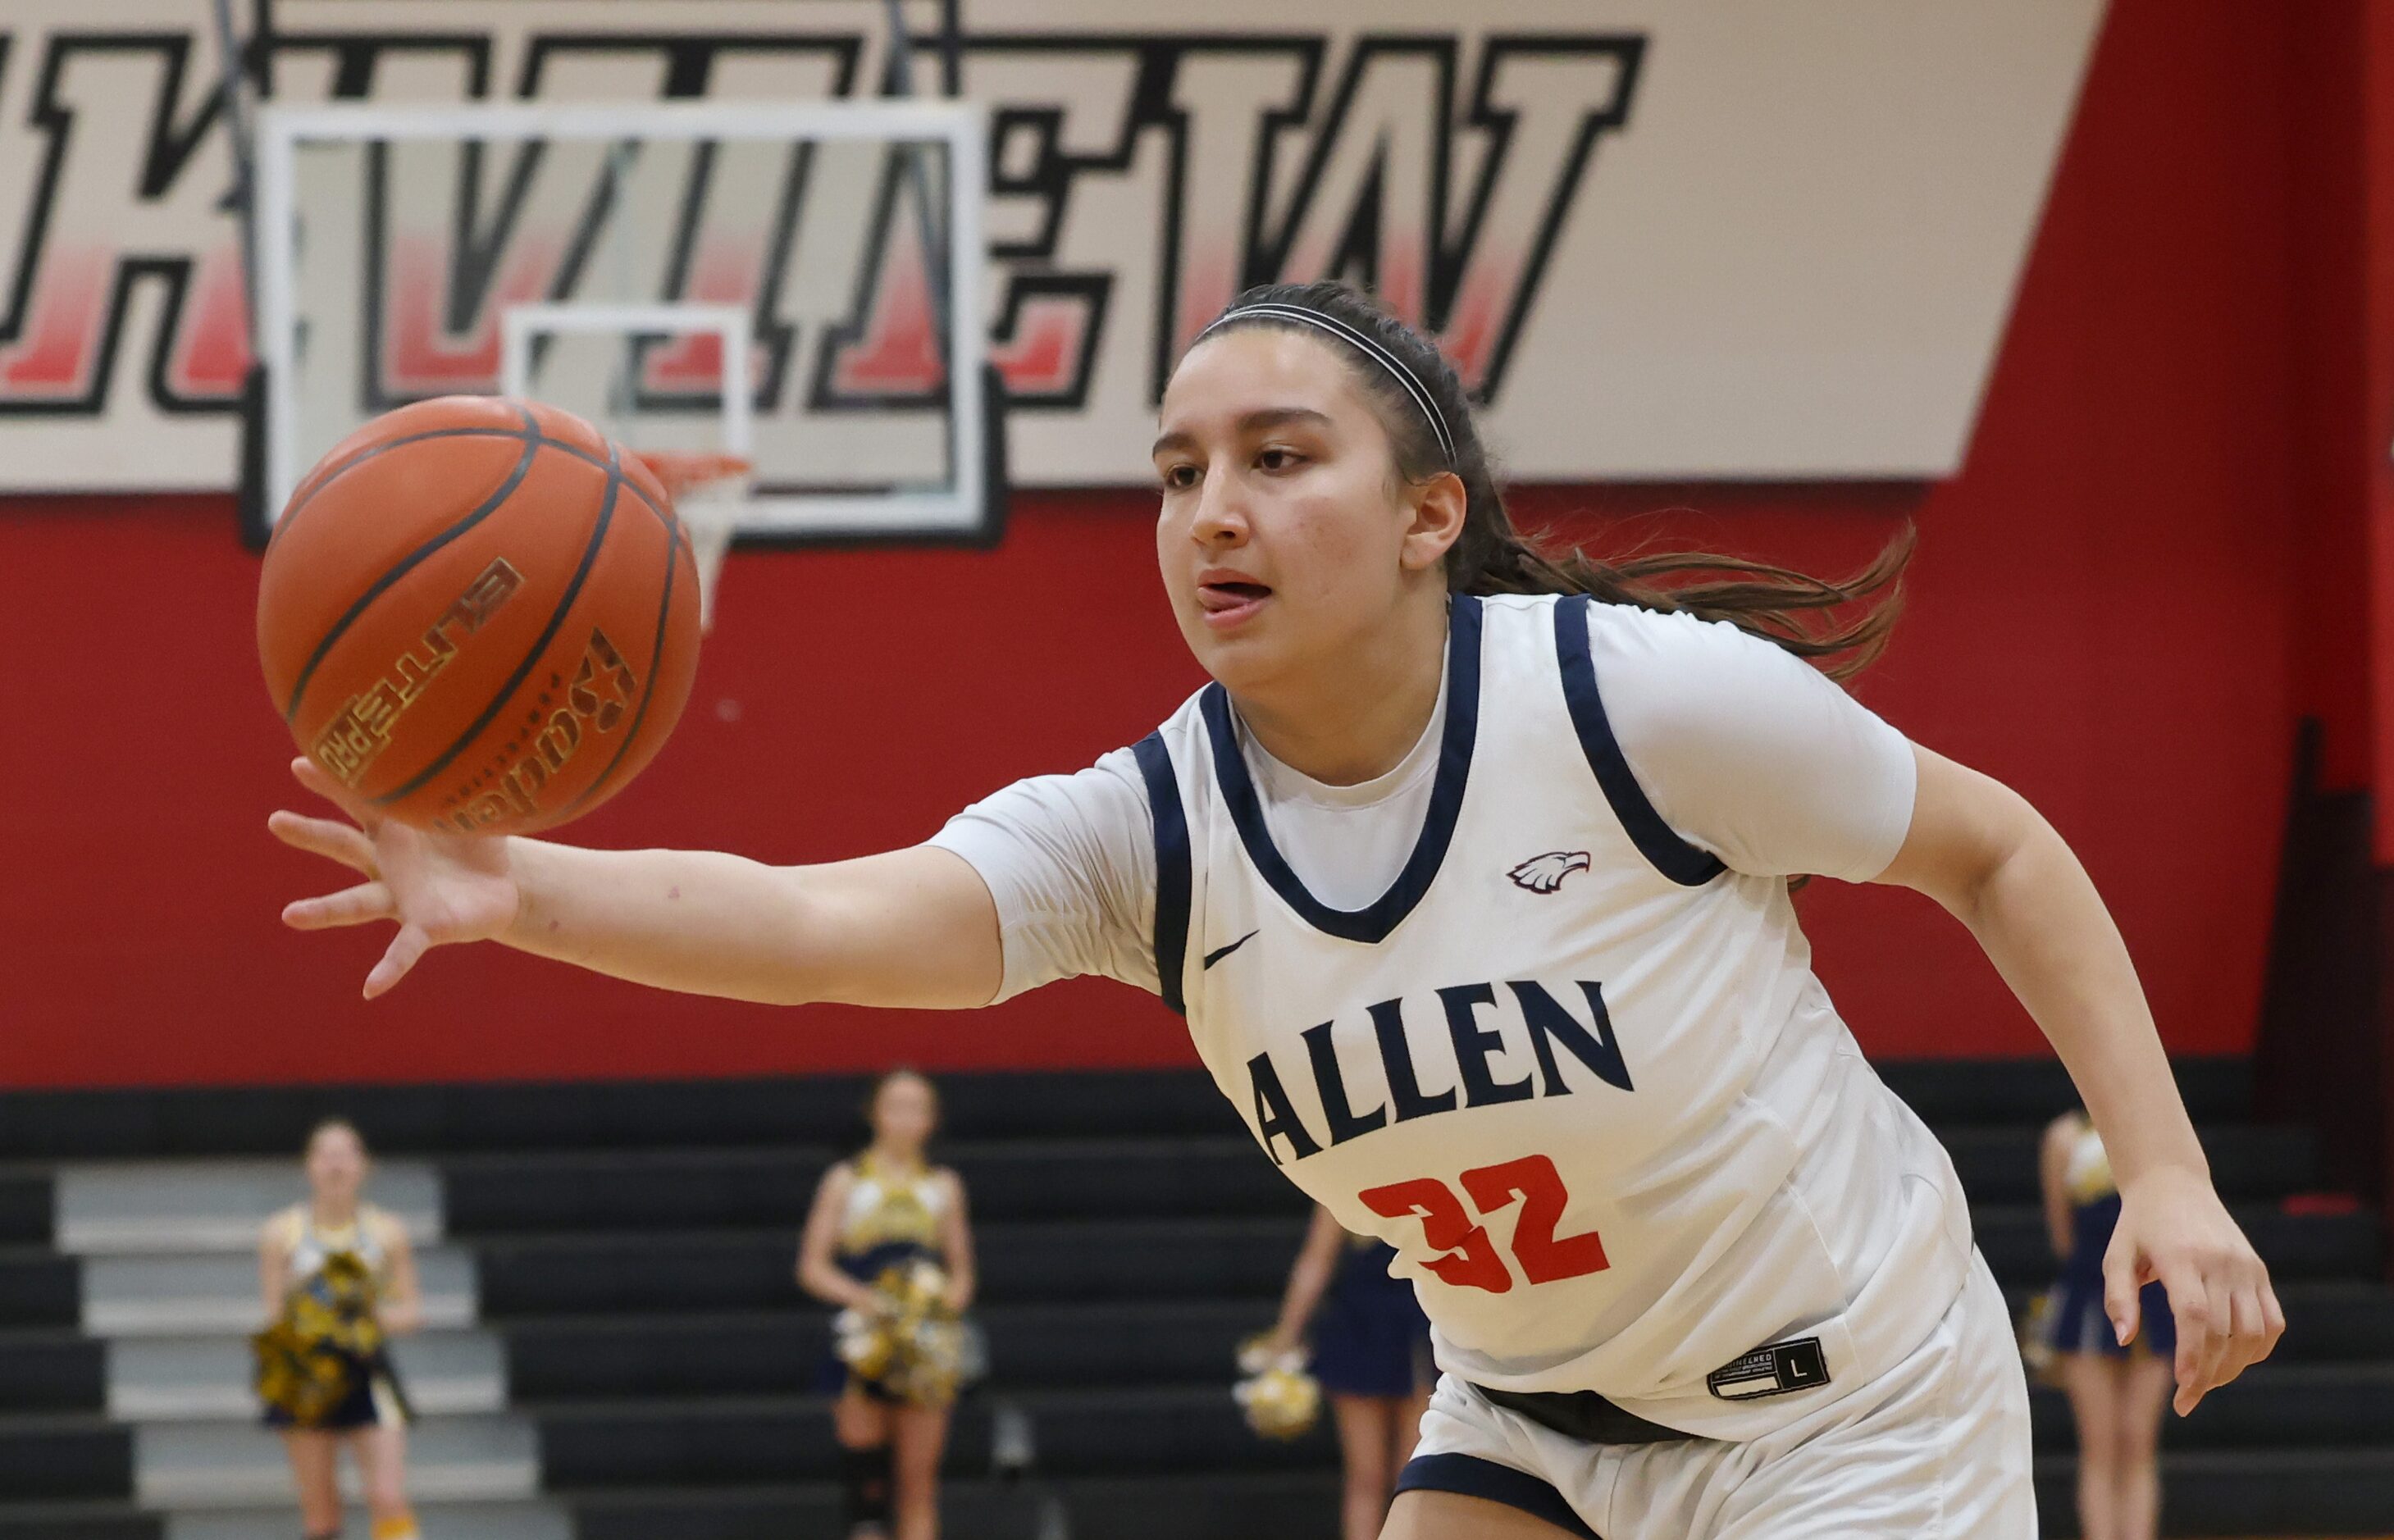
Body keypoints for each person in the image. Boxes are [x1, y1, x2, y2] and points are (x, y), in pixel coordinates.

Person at [270, 278, 2284, 1539]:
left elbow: (1998, 847)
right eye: (1174, 469)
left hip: (1851, 1406)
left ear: (1428, 519)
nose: (1209, 507)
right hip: (1533, 1414)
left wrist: (2175, 1182)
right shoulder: (1153, 833)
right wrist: (508, 882)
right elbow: (813, 921)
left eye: (1276, 457)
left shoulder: (1624, 700)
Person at [796, 1070, 977, 1540]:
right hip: (863, 1341)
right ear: (874, 1114)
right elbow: (812, 1266)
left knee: (918, 1486)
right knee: (867, 1490)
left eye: (916, 1107)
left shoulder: (943, 1186)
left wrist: (931, 1311)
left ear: (932, 1120)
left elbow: (962, 1275)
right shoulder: (845, 1180)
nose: (904, 1118)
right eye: (894, 1106)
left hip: (924, 1347)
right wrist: (868, 1302)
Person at [256, 1118, 423, 1540]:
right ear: (308, 1166)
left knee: (387, 1495)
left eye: (345, 1154)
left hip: (368, 1367)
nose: (336, 1165)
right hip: (306, 1371)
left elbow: (411, 1312)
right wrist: (313, 1313)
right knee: (321, 1515)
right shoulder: (281, 1233)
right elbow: (273, 1318)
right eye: (325, 1155)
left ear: (364, 1165)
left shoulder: (387, 1232)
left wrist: (361, 1314)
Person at [2041, 1108, 2177, 1540]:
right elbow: (2062, 1236)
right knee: (2098, 1445)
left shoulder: (2160, 1127)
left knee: (2139, 1440)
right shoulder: (2064, 1137)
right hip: (2087, 1294)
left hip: (2155, 1296)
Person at [1261, 1204, 1434, 1540]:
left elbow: (1315, 1262)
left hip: (1384, 1333)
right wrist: (1286, 1336)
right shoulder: (1425, 1179)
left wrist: (1286, 1336)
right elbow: (1316, 1262)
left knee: (1374, 1481)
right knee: (1405, 1480)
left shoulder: (1343, 1180)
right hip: (1393, 1331)